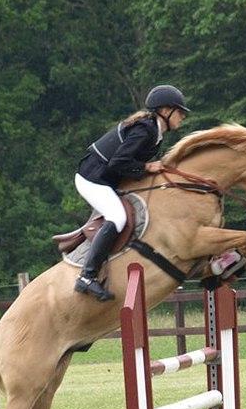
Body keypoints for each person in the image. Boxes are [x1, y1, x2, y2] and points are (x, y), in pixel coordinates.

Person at [74, 85, 190, 301]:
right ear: (165, 111)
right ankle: (87, 276)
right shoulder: (145, 130)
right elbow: (119, 162)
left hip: (106, 179)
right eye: (179, 111)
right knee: (117, 217)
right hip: (92, 179)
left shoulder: (154, 132)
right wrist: (147, 168)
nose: (182, 117)